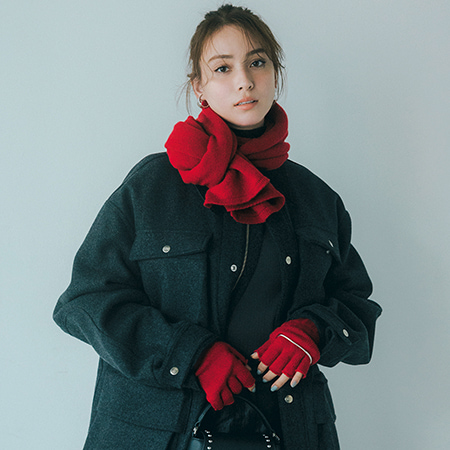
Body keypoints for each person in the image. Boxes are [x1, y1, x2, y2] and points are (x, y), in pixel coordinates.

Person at [53, 4, 382, 449]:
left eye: (257, 62)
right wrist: (189, 355)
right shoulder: (152, 186)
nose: (244, 80)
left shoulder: (316, 199)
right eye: (223, 68)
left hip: (289, 429)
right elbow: (84, 301)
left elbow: (356, 307)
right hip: (157, 433)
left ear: (275, 74)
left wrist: (313, 332)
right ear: (200, 87)